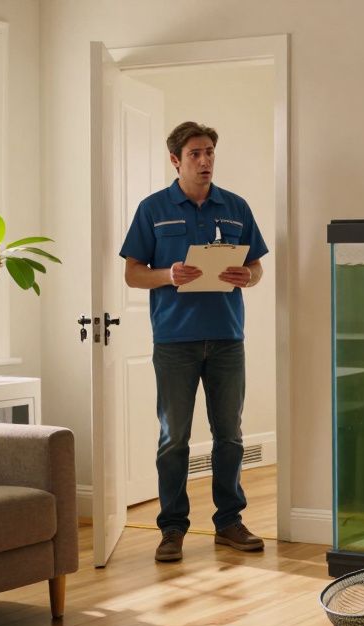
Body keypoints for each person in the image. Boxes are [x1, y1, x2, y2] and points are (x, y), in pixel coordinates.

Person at [120, 121, 270, 563]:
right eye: (195, 155)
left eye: (209, 153)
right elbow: (132, 273)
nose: (204, 162)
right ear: (175, 160)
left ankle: (229, 522)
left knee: (231, 436)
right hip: (174, 341)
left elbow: (257, 268)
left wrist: (249, 276)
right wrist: (167, 275)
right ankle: (172, 529)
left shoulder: (236, 207)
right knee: (175, 439)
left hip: (227, 338)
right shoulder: (153, 209)